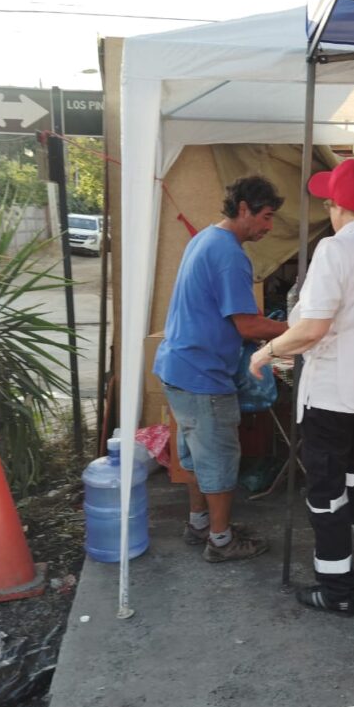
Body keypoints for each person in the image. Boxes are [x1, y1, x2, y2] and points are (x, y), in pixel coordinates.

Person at [249, 159, 354, 617]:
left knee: (325, 495)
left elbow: (311, 328)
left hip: (334, 394)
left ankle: (336, 587)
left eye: (329, 201)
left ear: (337, 206)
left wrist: (265, 352)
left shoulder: (336, 251)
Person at [154, 175, 287, 563]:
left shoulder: (204, 239)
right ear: (243, 209)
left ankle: (199, 524)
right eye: (265, 216)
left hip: (178, 368)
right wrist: (298, 330)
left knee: (197, 456)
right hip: (202, 374)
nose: (268, 226)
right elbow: (246, 324)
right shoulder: (230, 254)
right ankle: (222, 540)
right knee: (219, 460)